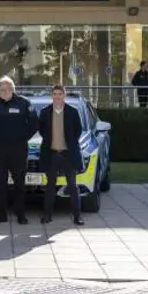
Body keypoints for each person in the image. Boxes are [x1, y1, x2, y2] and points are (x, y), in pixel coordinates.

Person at [0, 76, 38, 225]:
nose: (2, 92)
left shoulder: (24, 103)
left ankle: (20, 214)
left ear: (12, 89)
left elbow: (34, 124)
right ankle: (1, 214)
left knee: (19, 184)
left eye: (5, 89)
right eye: (0, 89)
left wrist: (23, 138)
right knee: (0, 183)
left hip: (18, 149)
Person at [39, 85, 84, 226]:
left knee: (72, 186)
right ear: (51, 96)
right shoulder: (45, 112)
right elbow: (42, 130)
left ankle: (77, 217)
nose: (57, 96)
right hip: (52, 154)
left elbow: (78, 130)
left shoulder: (72, 112)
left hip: (68, 155)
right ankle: (47, 216)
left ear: (64, 95)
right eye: (55, 94)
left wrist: (69, 143)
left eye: (60, 94)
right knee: (50, 186)